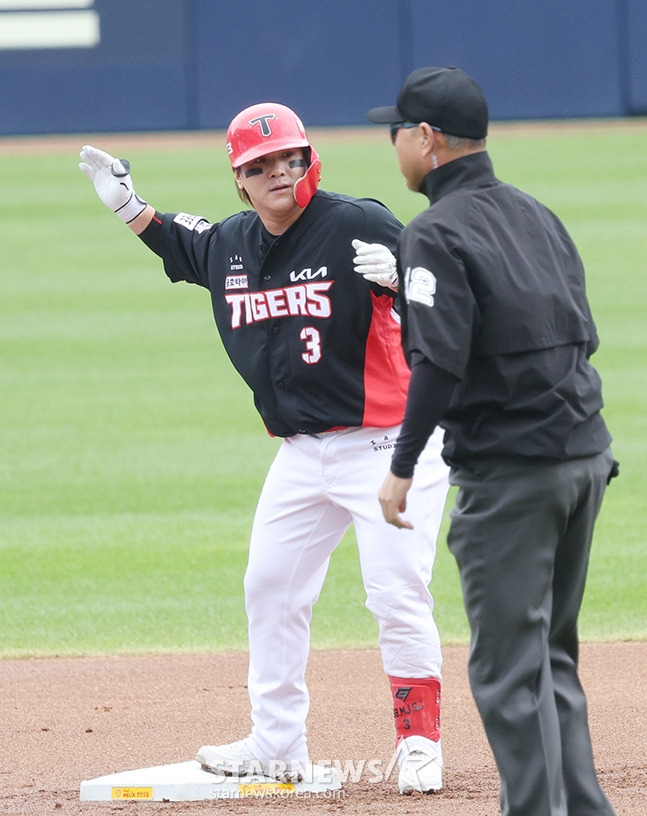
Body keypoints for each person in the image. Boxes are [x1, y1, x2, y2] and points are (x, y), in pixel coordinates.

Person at [78, 102, 450, 794]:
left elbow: (446, 286)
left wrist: (403, 278)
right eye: (260, 165)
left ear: (309, 161)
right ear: (239, 179)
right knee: (270, 586)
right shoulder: (232, 245)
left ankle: (420, 740)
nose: (279, 171)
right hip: (303, 455)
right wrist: (127, 204)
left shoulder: (356, 224)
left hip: (389, 441)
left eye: (290, 158)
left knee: (395, 591)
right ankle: (277, 744)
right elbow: (178, 240)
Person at [365, 66, 619, 815]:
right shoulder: (535, 213)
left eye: (397, 131)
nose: (393, 145)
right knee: (550, 660)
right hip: (581, 457)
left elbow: (438, 362)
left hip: (514, 475)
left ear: (427, 140)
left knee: (509, 673)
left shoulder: (433, 232)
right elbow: (584, 334)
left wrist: (401, 467)